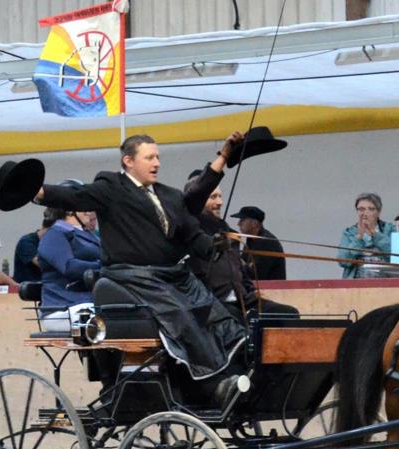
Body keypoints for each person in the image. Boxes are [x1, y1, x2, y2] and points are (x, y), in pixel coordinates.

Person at [28, 131, 248, 403]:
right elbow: (74, 195)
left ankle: (238, 370)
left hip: (173, 276)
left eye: (157, 157)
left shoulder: (168, 196)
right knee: (180, 314)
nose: (156, 163)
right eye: (149, 157)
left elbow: (191, 231)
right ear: (128, 161)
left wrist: (213, 246)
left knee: (214, 311)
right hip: (132, 276)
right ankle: (211, 382)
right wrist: (36, 191)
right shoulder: (111, 188)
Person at [186, 174, 298, 319]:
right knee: (238, 321)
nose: (220, 202)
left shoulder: (231, 236)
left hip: (243, 301)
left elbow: (242, 270)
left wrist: (249, 289)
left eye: (220, 196)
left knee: (288, 314)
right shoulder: (190, 234)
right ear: (197, 200)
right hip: (214, 303)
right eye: (213, 197)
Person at [37, 203, 102, 331]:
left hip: (90, 303)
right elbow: (69, 267)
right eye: (84, 206)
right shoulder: (54, 235)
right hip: (64, 306)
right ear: (69, 211)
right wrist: (104, 268)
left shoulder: (91, 235)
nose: (89, 211)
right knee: (110, 320)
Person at [337, 192, 395, 278]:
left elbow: (398, 257)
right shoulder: (349, 232)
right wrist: (358, 238)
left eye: (371, 209)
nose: (365, 213)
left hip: (386, 283)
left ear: (379, 212)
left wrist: (375, 235)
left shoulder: (390, 229)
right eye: (361, 209)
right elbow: (343, 262)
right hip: (356, 284)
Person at [233, 205, 286, 280]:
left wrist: (236, 259)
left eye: (242, 220)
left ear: (254, 223)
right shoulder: (251, 240)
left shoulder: (267, 242)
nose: (238, 224)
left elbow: (256, 276)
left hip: (271, 290)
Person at [12, 212, 53, 283]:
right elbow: (42, 263)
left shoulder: (53, 243)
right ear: (43, 227)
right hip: (27, 288)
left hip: (45, 286)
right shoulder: (26, 241)